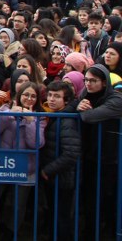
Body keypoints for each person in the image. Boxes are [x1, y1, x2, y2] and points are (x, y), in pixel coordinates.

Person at [0, 82, 46, 237]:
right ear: (19, 95)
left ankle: (11, 232)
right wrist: (10, 114)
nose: (29, 99)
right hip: (1, 164)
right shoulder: (5, 109)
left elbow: (36, 143)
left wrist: (30, 121)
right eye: (26, 95)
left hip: (25, 167)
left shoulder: (40, 116)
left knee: (18, 205)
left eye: (33, 96)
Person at [71, 64, 122, 240]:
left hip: (110, 158)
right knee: (89, 198)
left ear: (104, 82)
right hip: (90, 155)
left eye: (93, 81)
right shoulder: (85, 95)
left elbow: (88, 116)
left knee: (107, 198)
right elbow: (74, 107)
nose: (88, 84)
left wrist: (82, 110)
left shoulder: (116, 99)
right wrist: (79, 105)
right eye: (86, 80)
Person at [40, 81, 80, 241]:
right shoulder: (54, 116)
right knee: (54, 214)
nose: (51, 99)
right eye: (50, 95)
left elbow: (71, 153)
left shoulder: (66, 121)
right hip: (54, 177)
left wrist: (48, 170)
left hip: (62, 178)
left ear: (66, 100)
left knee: (61, 218)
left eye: (57, 96)